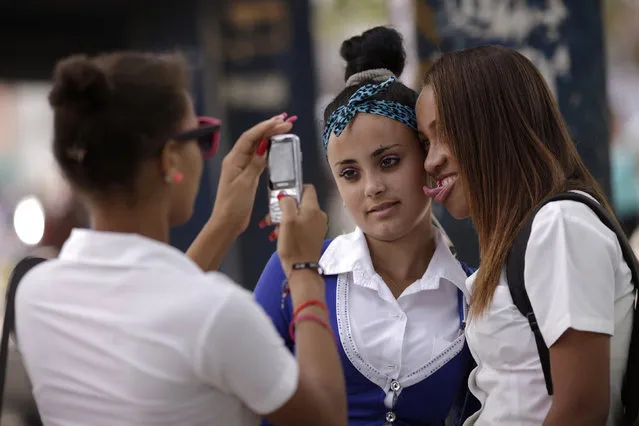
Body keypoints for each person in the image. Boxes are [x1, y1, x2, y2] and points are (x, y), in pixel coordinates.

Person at [13, 51, 347, 426]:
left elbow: (152, 319)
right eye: (201, 136)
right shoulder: (219, 312)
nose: (205, 154)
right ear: (170, 158)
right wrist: (303, 269)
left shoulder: (33, 293)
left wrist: (222, 223)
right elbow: (327, 416)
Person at [255, 27, 477, 426]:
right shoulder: (294, 270)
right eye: (350, 173)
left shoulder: (476, 294)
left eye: (389, 161)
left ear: (426, 157)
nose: (372, 188)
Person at [418, 45, 635, 425]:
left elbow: (583, 407)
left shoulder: (560, 225)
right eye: (425, 142)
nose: (430, 161)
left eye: (444, 134)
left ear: (494, 125)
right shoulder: (524, 237)